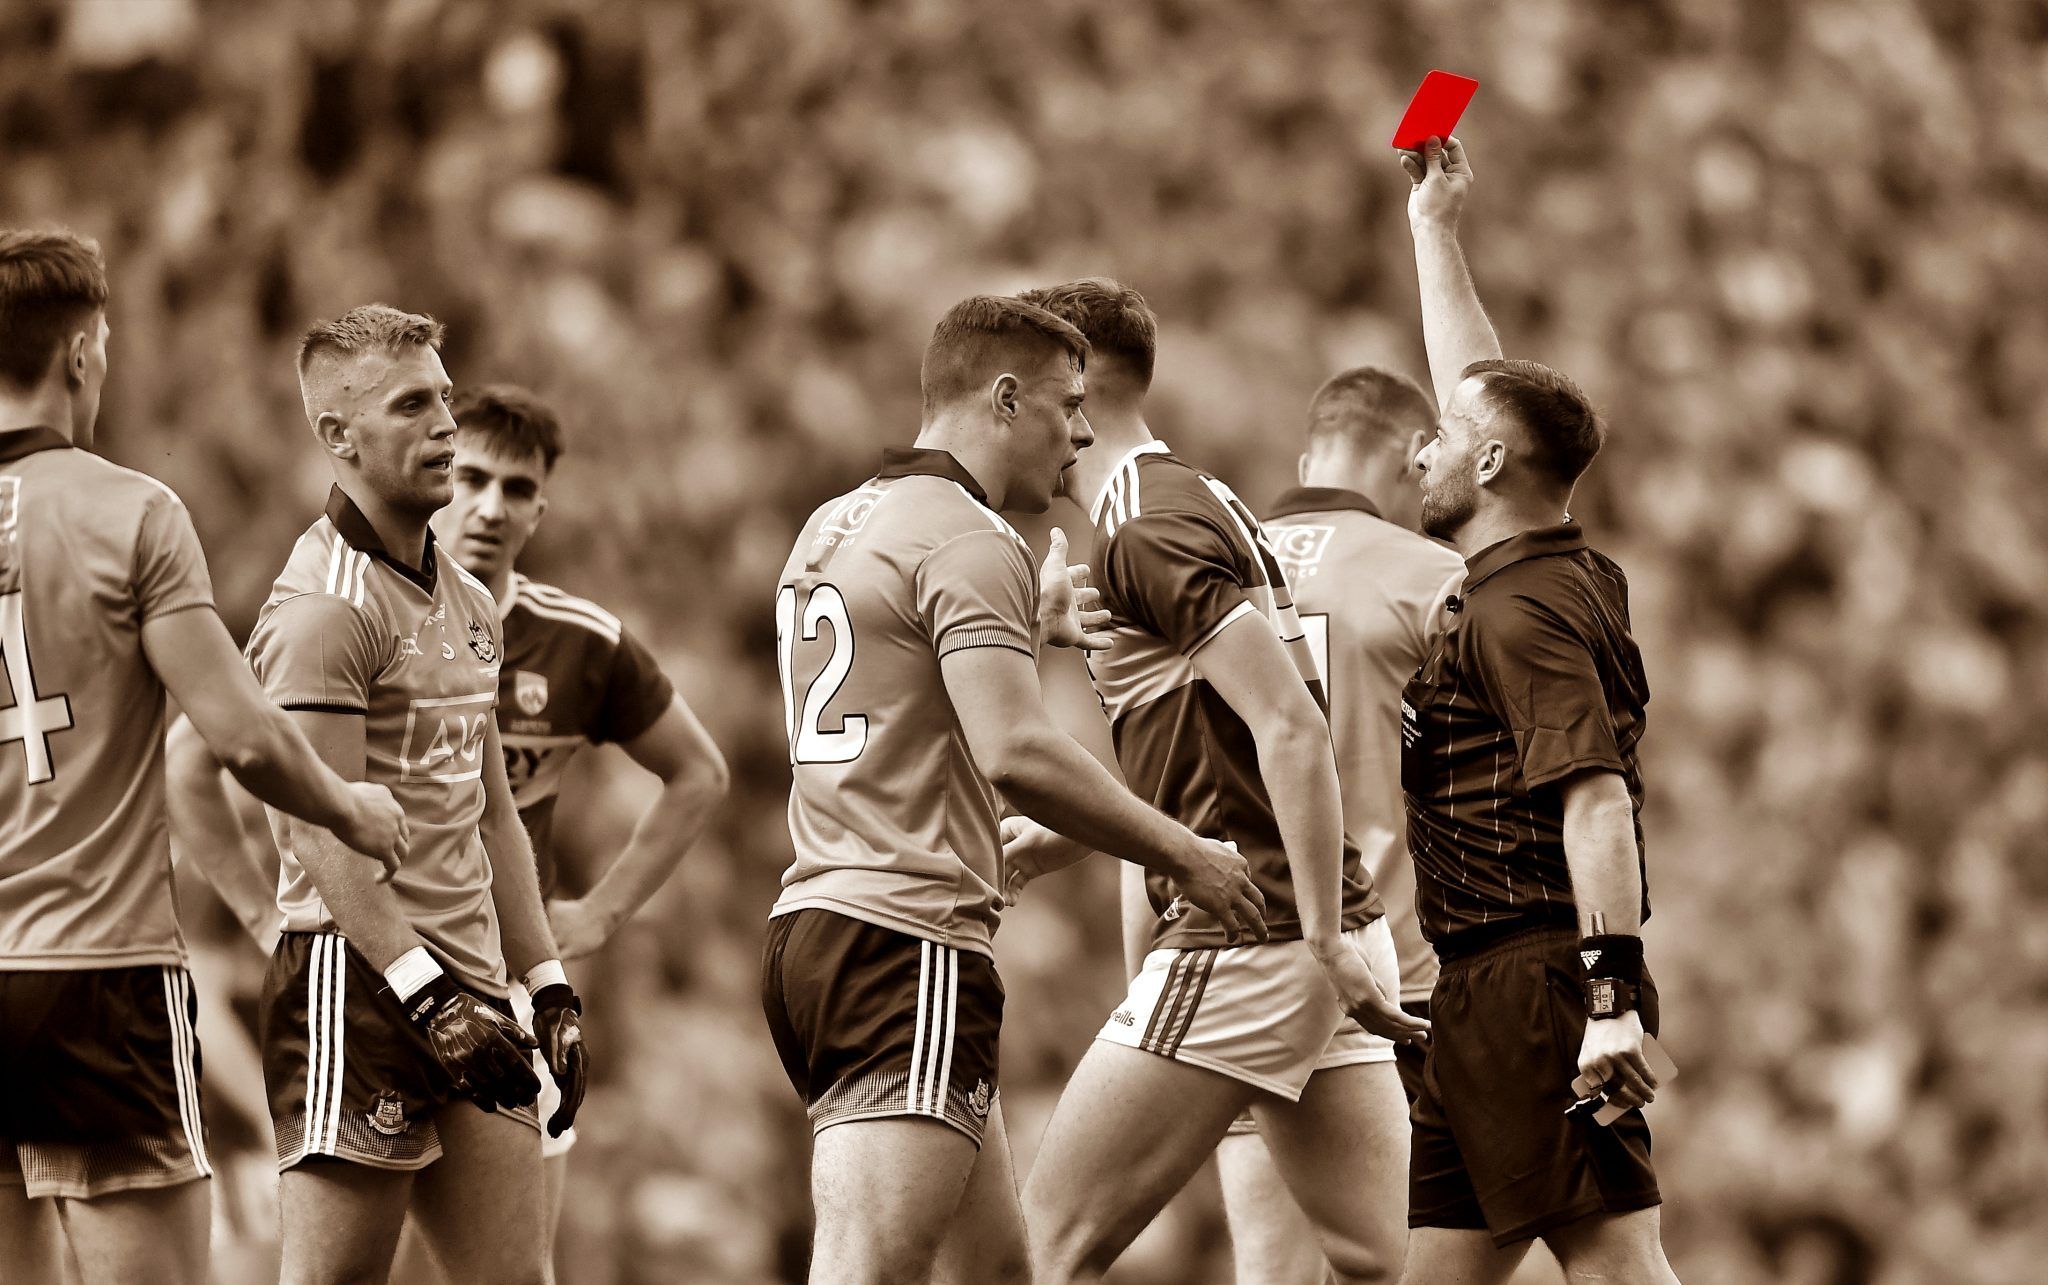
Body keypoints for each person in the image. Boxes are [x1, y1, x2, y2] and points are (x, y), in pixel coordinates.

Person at [168, 382, 731, 1271]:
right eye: (473, 477)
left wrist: (572, 947)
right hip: (367, 975)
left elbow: (648, 782)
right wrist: (267, 918)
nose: (491, 506)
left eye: (518, 488)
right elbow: (201, 765)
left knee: (519, 1265)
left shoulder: (562, 636)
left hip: (494, 979)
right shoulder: (334, 607)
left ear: (543, 508)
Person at [763, 294, 1265, 1285]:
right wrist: (1184, 852)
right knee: (868, 1269)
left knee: (996, 1272)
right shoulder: (969, 535)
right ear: (1003, 399)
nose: (1082, 433)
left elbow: (893, 689)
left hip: (820, 923)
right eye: (1067, 405)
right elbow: (1016, 752)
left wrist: (1022, 625)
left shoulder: (834, 521)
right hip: (904, 938)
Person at [0, 230, 408, 1285]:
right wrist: (349, 807)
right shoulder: (130, 510)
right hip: (97, 972)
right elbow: (242, 734)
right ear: (81, 351)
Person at [1005, 279, 1430, 1285]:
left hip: (1254, 930)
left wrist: (1317, 935)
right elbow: (1208, 743)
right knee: (1394, 1260)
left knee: (1041, 1249)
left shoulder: (1144, 525)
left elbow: (1289, 725)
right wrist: (1070, 831)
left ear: (1076, 389)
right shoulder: (1194, 497)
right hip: (1318, 922)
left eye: (1019, 391)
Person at [246, 304, 586, 1285]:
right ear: (338, 435)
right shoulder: (324, 608)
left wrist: (547, 981)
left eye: (444, 398)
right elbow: (319, 835)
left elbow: (491, 813)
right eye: (410, 406)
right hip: (358, 985)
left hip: (469, 985)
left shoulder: (472, 600)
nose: (444, 426)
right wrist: (421, 992)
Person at [1394, 136, 1677, 1284]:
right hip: (1477, 990)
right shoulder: (1550, 564)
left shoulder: (1520, 614)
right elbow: (1481, 397)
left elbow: (1594, 800)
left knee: (1617, 1266)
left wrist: (1607, 1000)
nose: (1418, 450)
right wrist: (1432, 230)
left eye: (1442, 439)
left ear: (1490, 465)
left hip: (1538, 990)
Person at [1215, 365, 1467, 1285]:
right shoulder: (1436, 577)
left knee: (1274, 1272)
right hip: (1392, 974)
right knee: (1423, 1260)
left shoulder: (1207, 564)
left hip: (1240, 960)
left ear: (1306, 460)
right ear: (1414, 455)